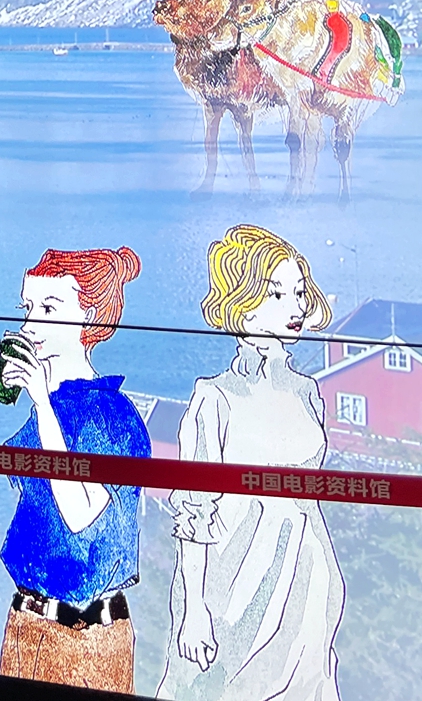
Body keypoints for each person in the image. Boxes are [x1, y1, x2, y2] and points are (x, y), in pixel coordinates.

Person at [159, 224, 345, 701]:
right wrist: (194, 609)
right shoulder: (214, 397)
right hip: (235, 588)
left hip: (307, 583)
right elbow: (195, 510)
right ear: (242, 304)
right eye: (277, 294)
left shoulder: (308, 392)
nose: (295, 307)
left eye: (299, 292)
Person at [0, 247, 151, 690]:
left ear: (90, 318)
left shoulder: (111, 413)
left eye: (49, 309)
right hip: (26, 624)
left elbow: (80, 515)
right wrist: (39, 402)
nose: (30, 326)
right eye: (28, 308)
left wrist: (42, 404)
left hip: (88, 639)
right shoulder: (50, 406)